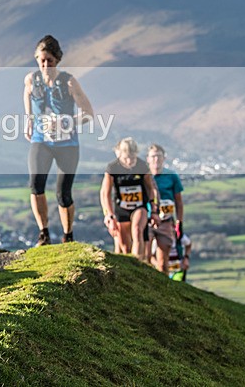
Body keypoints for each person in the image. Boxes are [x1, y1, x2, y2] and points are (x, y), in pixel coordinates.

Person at [23, 35, 93, 245]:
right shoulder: (31, 79)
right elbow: (27, 95)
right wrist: (29, 119)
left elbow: (88, 113)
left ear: (57, 60)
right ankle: (43, 233)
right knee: (36, 185)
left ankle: (68, 236)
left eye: (50, 61)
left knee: (63, 194)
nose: (46, 65)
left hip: (67, 144)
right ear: (37, 59)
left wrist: (66, 121)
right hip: (41, 140)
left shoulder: (69, 82)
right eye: (42, 60)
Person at [100, 138, 157, 261]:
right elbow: (105, 193)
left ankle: (138, 262)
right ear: (119, 154)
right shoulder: (112, 168)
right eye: (126, 158)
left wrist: (153, 208)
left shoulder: (142, 166)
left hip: (139, 206)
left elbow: (150, 188)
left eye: (132, 158)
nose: (129, 161)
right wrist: (109, 215)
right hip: (121, 208)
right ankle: (130, 265)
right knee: (125, 248)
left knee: (137, 230)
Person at [146, 143, 185, 274]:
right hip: (148, 221)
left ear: (164, 158)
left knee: (163, 262)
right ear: (148, 159)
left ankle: (164, 282)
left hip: (166, 221)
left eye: (159, 156)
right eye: (153, 156)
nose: (156, 159)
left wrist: (179, 222)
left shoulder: (172, 176)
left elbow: (179, 201)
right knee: (146, 257)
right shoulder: (144, 176)